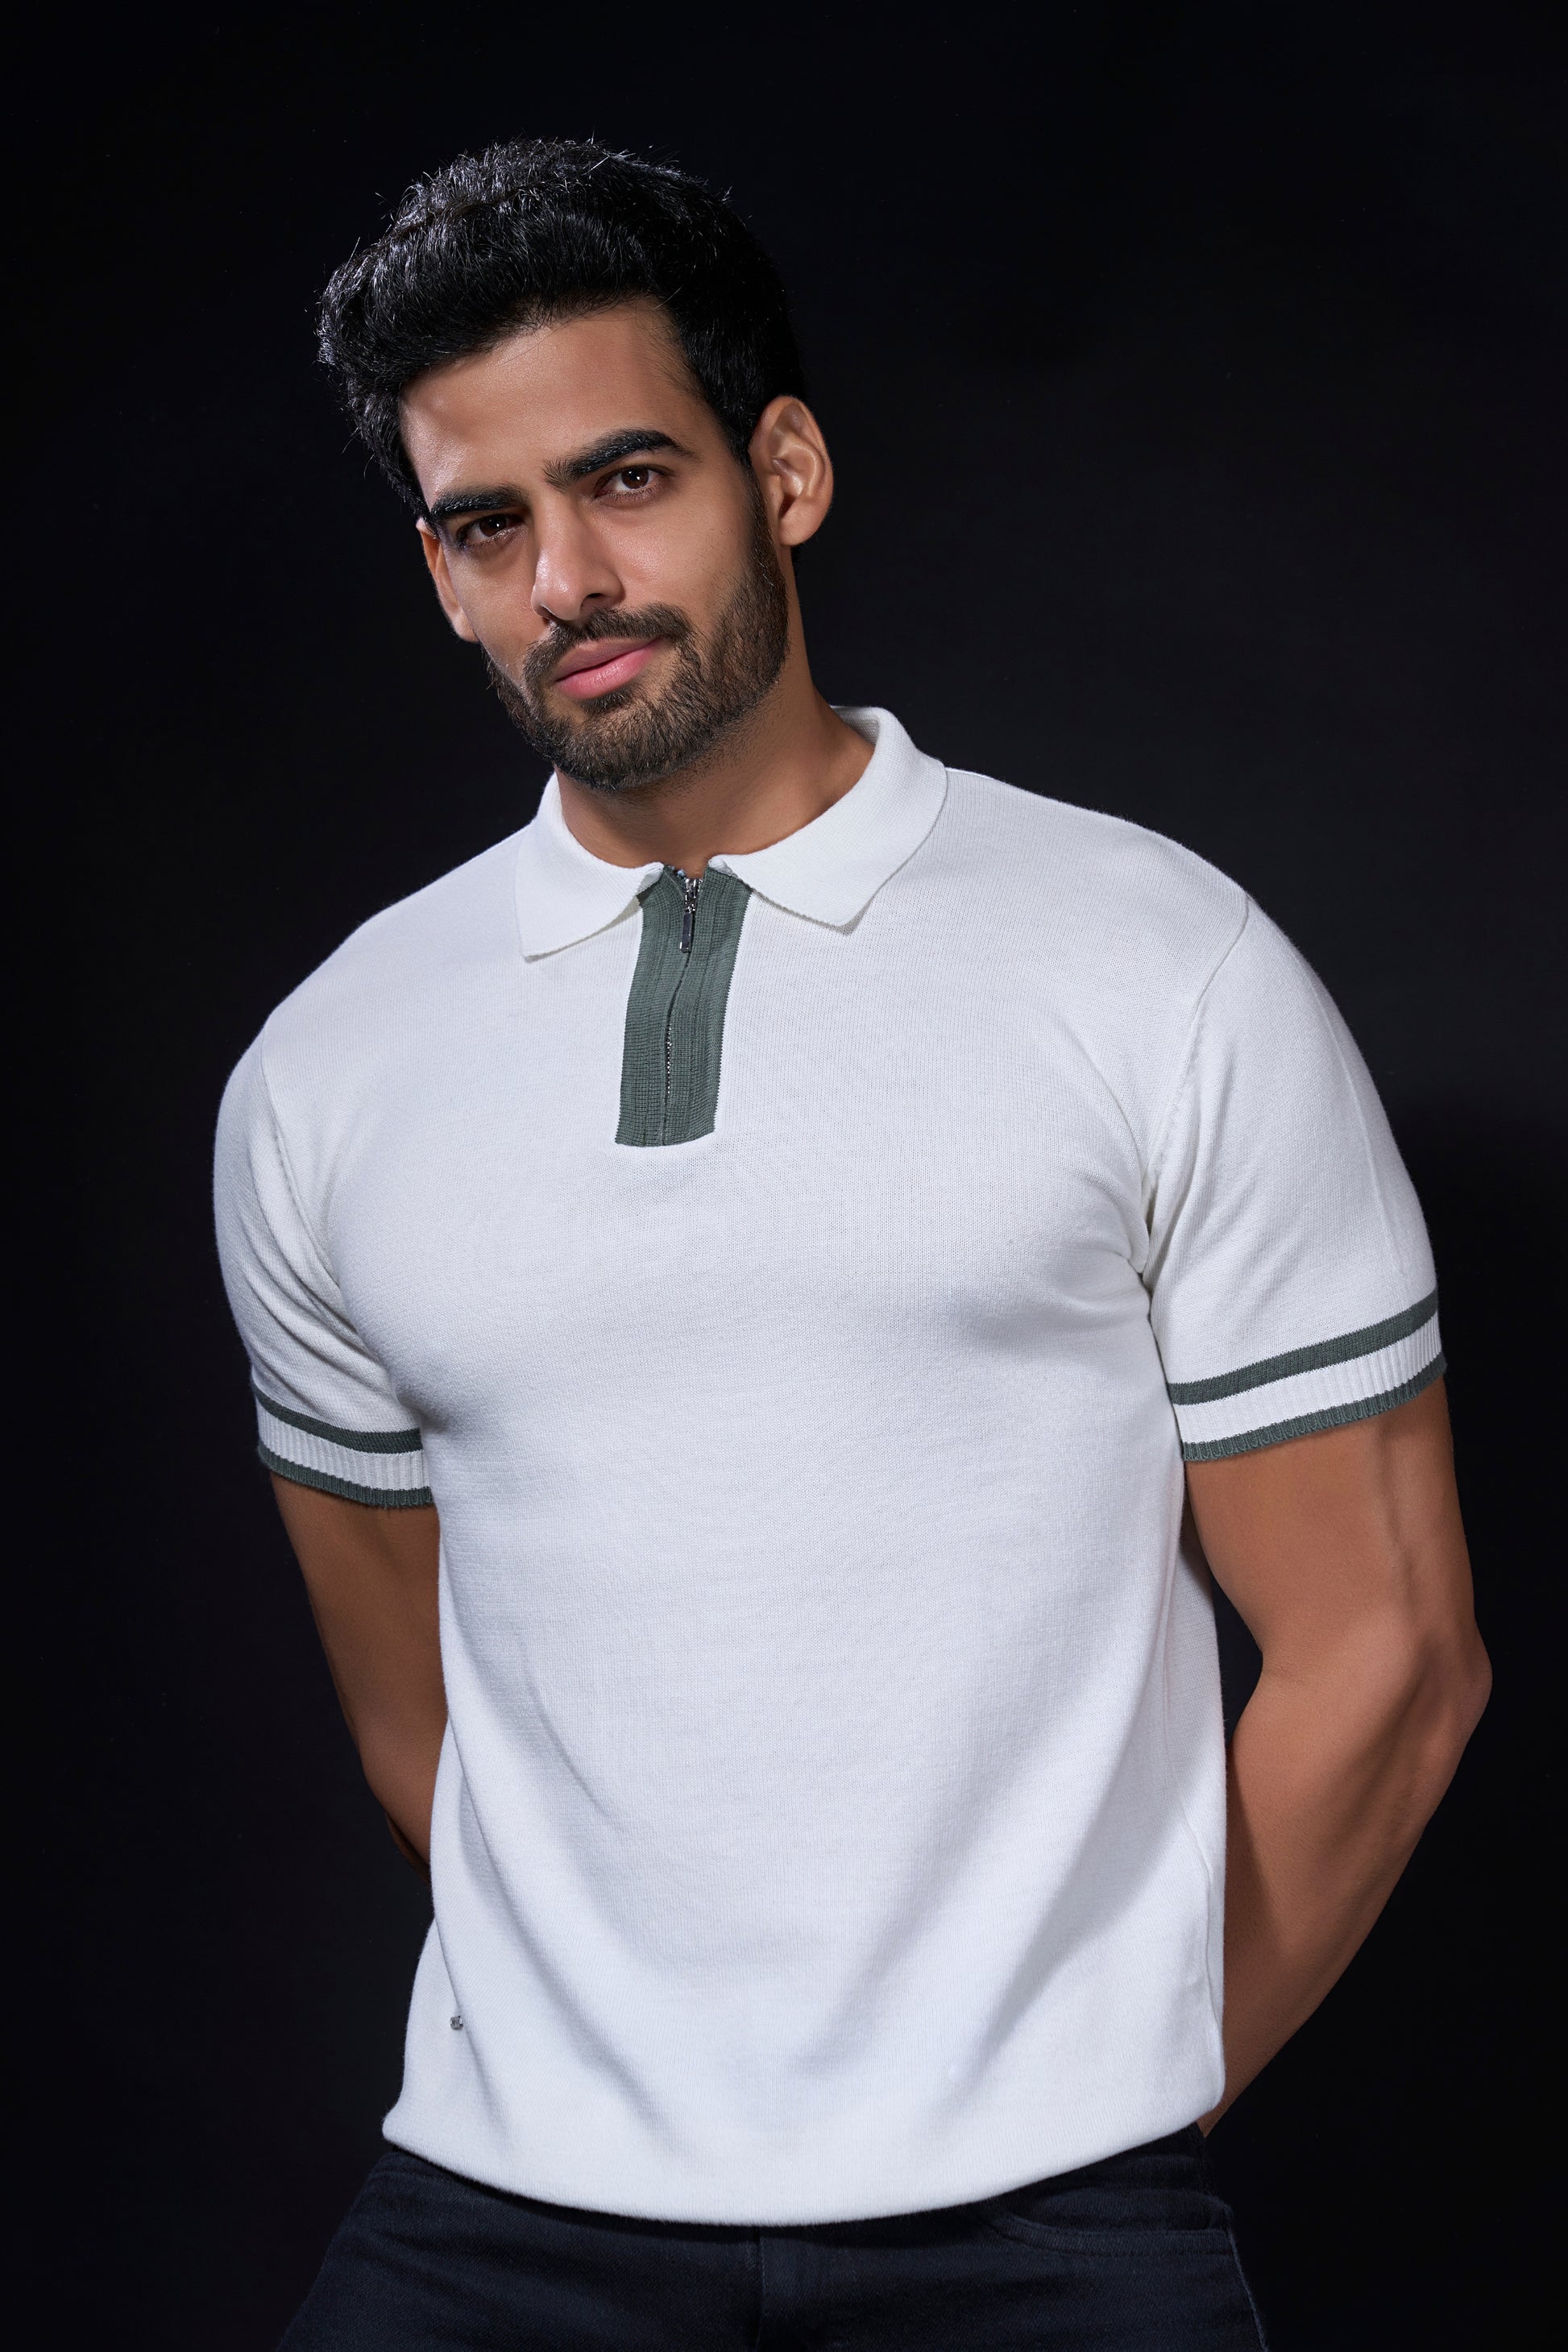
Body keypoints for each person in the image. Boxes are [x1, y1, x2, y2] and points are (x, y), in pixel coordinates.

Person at [214, 138, 1490, 2350]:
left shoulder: (1159, 969)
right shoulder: (326, 1072)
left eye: (629, 480)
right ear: (438, 572)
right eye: (488, 524)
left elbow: (1387, 1655)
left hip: (1044, 2230)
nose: (568, 579)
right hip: (505, 2217)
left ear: (782, 471)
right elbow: (417, 1711)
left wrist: (1103, 2107)